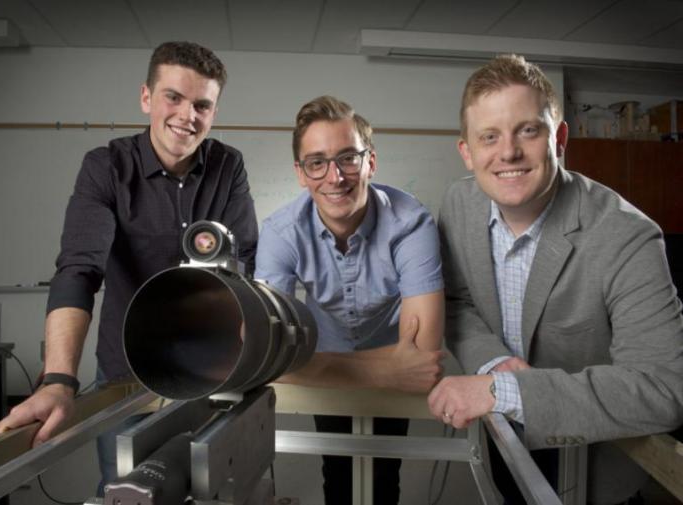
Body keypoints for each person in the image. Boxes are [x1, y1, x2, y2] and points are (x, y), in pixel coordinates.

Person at [0, 41, 259, 493]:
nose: (186, 115)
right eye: (173, 97)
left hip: (208, 373)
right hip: (126, 373)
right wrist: (59, 380)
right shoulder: (105, 168)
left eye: (202, 105)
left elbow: (244, 264)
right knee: (126, 490)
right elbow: (79, 269)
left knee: (207, 488)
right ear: (146, 98)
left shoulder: (228, 166)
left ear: (213, 112)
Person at [427, 54, 683, 504]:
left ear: (559, 138)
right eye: (489, 136)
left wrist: (499, 389)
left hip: (596, 468)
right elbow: (457, 300)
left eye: (528, 130)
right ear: (467, 151)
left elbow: (665, 389)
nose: (508, 152)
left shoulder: (628, 236)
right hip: (504, 446)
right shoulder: (458, 204)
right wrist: (492, 363)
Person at [254, 96, 445, 504]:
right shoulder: (280, 232)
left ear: (370, 162)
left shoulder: (412, 224)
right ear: (301, 174)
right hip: (375, 361)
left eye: (347, 158)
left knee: (383, 476)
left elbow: (424, 357)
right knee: (337, 474)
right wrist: (387, 370)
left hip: (331, 363)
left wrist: (306, 364)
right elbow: (264, 354)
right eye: (317, 162)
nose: (334, 176)